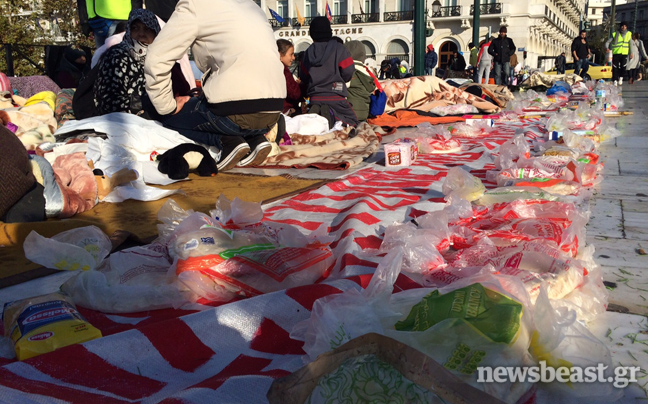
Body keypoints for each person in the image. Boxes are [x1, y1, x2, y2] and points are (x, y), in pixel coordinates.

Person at [145, 0, 286, 172]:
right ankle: (255, 140)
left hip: (231, 113)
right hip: (273, 112)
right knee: (226, 109)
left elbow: (156, 59)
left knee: (168, 116)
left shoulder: (195, 5)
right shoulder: (251, 6)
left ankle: (227, 142)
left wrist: (167, 107)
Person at [95, 9, 189, 116]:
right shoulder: (117, 56)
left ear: (156, 33)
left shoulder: (163, 60)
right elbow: (109, 102)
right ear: (129, 31)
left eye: (147, 29)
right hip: (124, 122)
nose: (141, 34)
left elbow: (182, 92)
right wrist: (147, 105)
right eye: (135, 28)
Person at [299, 17, 357, 128]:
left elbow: (304, 76)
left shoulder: (307, 53)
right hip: (336, 96)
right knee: (352, 122)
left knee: (318, 128)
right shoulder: (340, 49)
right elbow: (349, 71)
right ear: (329, 32)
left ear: (311, 34)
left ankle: (320, 114)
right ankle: (332, 115)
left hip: (315, 97)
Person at [344, 40, 376, 122]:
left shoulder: (349, 70)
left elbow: (342, 88)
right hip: (365, 112)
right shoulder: (367, 71)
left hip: (351, 113)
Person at [277, 39, 303, 116]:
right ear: (280, 55)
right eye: (291, 54)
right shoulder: (283, 70)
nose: (293, 58)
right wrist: (300, 85)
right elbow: (294, 93)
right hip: (285, 110)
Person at [606, 21, 632, 86]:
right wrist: (607, 48)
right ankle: (615, 80)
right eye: (622, 26)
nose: (624, 27)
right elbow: (608, 42)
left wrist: (631, 53)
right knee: (615, 67)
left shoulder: (629, 34)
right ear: (620, 27)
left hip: (624, 53)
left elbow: (630, 44)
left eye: (625, 26)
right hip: (616, 53)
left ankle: (621, 78)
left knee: (623, 66)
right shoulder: (615, 34)